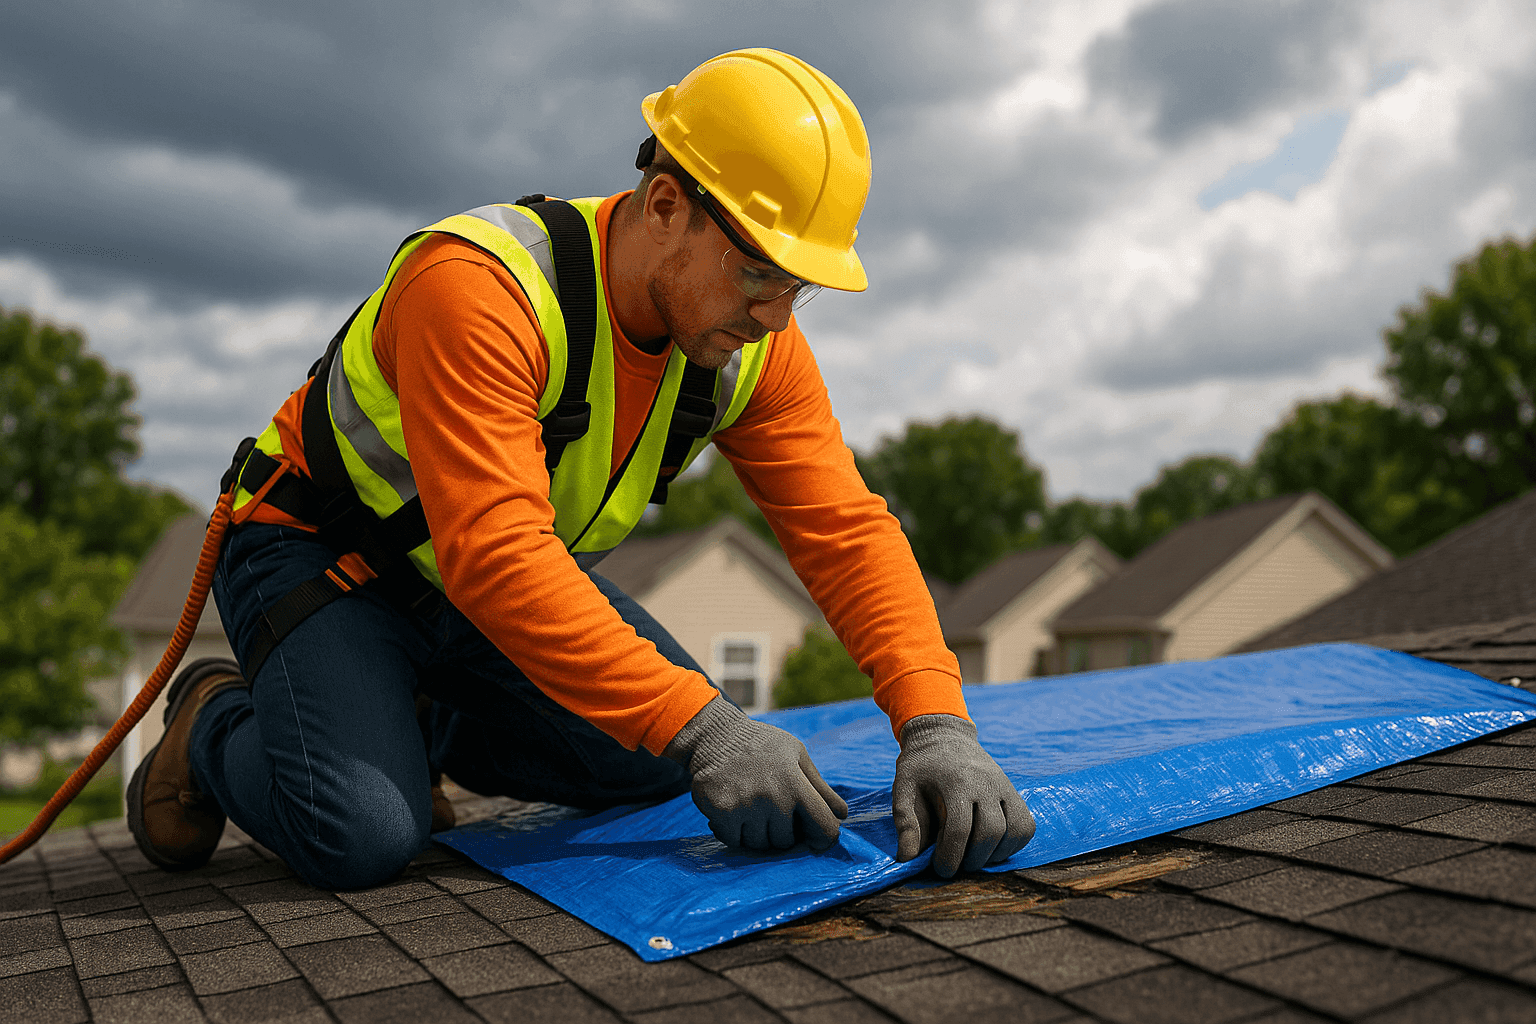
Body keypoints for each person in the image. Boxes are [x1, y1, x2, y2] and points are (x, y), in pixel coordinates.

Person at [127, 48, 1035, 890]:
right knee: (364, 834)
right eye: (759, 271)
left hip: (486, 591)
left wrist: (936, 724)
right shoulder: (481, 287)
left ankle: (407, 720)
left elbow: (845, 531)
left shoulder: (752, 349)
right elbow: (495, 553)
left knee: (655, 765)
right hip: (323, 553)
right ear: (666, 204)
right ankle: (213, 720)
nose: (775, 315)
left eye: (800, 285)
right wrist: (709, 727)